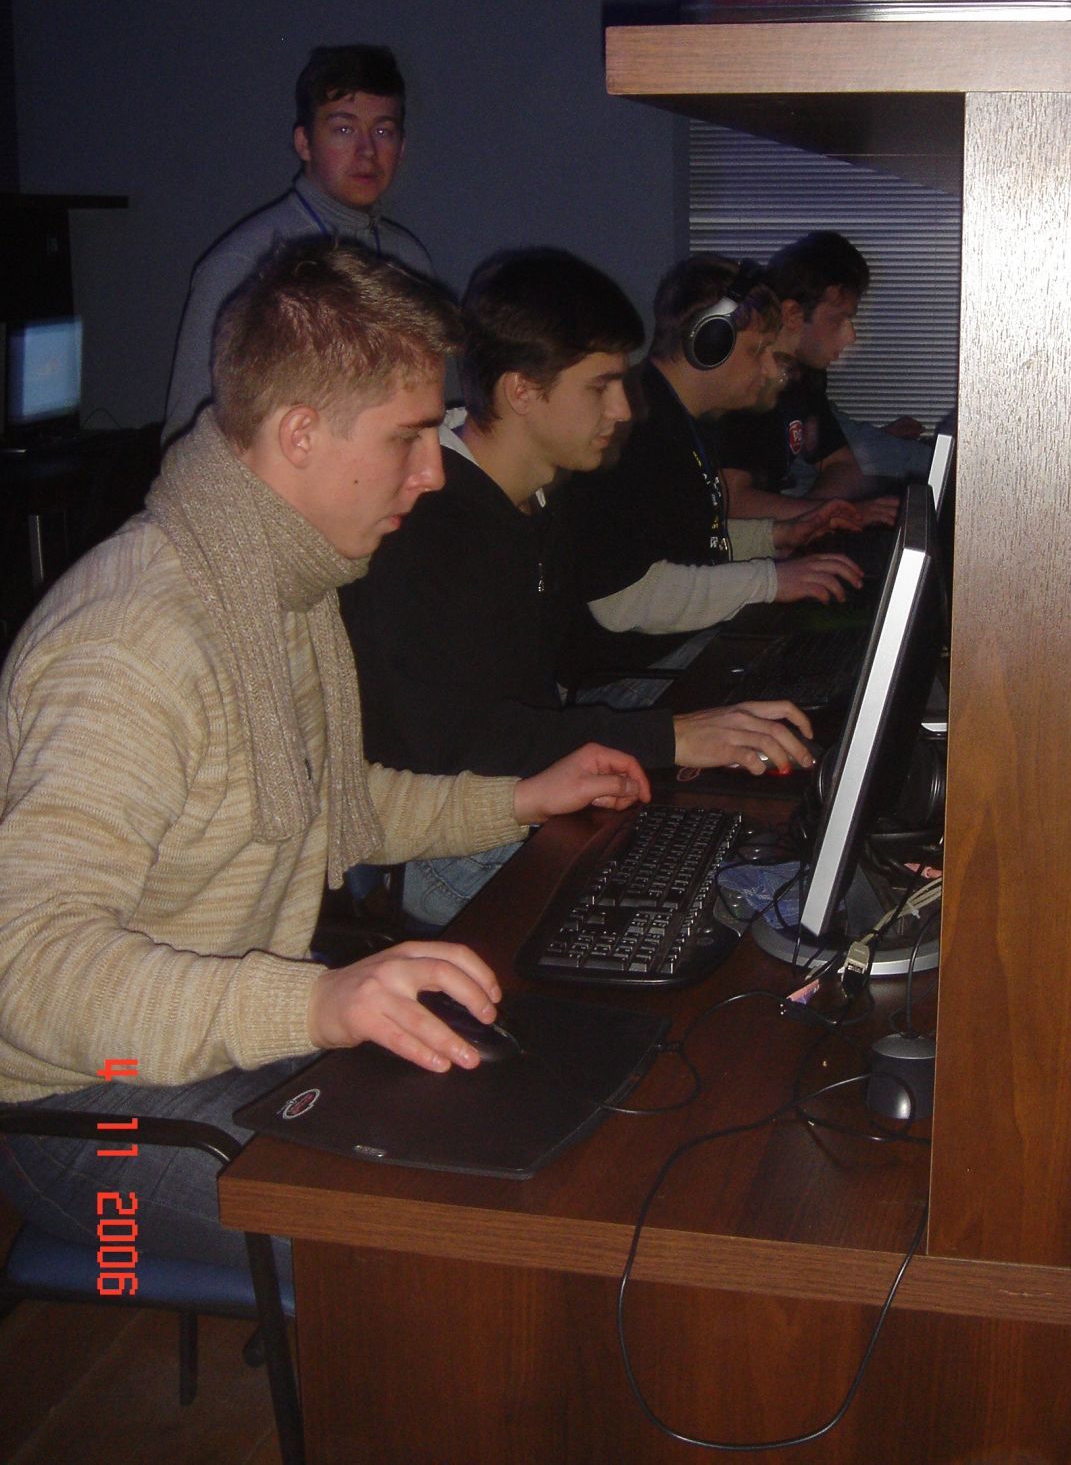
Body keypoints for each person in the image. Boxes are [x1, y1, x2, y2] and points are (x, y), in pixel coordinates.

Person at [0, 243, 647, 1276]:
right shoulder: (132, 642)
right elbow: (25, 966)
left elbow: (332, 799)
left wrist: (523, 795)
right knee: (449, 1248)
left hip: (212, 1047)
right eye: (406, 438)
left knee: (538, 1138)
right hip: (92, 1108)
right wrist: (311, 1003)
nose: (431, 472)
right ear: (299, 433)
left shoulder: (279, 584)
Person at [342, 248, 821, 928]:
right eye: (600, 387)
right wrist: (665, 737)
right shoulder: (425, 526)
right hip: (434, 840)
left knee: (731, 850)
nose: (623, 408)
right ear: (522, 392)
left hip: (523, 779)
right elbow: (454, 744)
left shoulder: (543, 495)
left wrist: (662, 737)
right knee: (677, 916)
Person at [560, 253, 868, 682]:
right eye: (758, 350)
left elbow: (685, 542)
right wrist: (772, 581)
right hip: (629, 682)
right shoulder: (628, 432)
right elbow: (622, 600)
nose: (770, 369)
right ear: (709, 344)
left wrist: (777, 535)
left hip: (675, 651)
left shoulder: (683, 418)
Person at [162, 43, 433, 443]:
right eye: (343, 129)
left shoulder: (409, 262)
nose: (367, 152)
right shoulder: (243, 265)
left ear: (402, 147)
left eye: (383, 132)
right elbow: (187, 440)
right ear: (304, 143)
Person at [717, 230, 920, 519]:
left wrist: (815, 520)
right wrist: (819, 517)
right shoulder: (743, 386)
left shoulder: (803, 378)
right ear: (793, 315)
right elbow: (733, 502)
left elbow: (842, 465)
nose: (851, 336)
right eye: (839, 320)